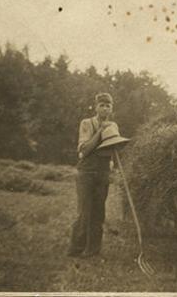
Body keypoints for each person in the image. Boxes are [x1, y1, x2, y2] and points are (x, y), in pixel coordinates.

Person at [67, 92, 116, 258]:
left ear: (111, 108)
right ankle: (75, 249)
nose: (104, 108)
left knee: (98, 212)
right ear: (96, 107)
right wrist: (100, 132)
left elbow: (113, 150)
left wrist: (113, 160)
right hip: (86, 172)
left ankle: (93, 250)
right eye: (101, 105)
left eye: (107, 105)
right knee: (84, 212)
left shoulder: (113, 126)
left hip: (103, 173)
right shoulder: (87, 123)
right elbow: (85, 149)